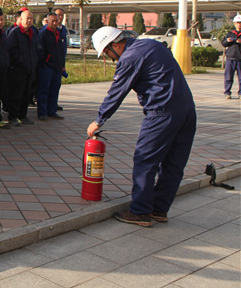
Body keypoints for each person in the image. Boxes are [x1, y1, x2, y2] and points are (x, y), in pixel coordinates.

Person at [88, 26, 196, 227]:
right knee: (173, 164)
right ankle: (159, 209)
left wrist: (99, 120)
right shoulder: (151, 44)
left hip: (161, 113)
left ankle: (140, 212)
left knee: (145, 161)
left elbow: (117, 92)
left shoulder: (130, 57)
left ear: (115, 45)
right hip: (187, 111)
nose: (110, 59)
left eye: (107, 54)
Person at [5, 8, 37, 126]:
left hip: (29, 69)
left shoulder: (33, 33)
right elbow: (10, 51)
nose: (29, 21)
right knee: (16, 95)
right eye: (27, 18)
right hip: (17, 70)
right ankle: (13, 116)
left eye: (31, 18)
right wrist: (18, 63)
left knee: (26, 95)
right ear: (20, 19)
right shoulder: (15, 32)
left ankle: (23, 115)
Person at [36, 12, 66, 121]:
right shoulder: (43, 34)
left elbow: (62, 51)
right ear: (47, 21)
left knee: (54, 90)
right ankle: (42, 113)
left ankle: (52, 112)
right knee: (44, 91)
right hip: (46, 67)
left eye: (56, 21)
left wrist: (62, 65)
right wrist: (45, 62)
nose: (54, 23)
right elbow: (40, 52)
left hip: (57, 68)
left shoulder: (58, 33)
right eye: (52, 21)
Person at [221, 14, 241, 98]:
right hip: (230, 58)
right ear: (234, 24)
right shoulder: (230, 33)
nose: (239, 24)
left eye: (240, 23)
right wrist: (227, 41)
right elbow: (223, 43)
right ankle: (227, 92)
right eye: (237, 23)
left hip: (240, 59)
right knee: (228, 77)